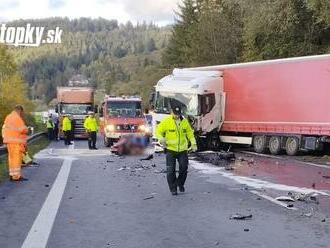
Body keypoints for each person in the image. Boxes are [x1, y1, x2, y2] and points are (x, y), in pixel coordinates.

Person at [156, 105, 197, 195]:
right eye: (175, 114)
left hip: (182, 150)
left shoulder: (184, 122)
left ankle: (180, 183)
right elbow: (158, 131)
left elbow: (190, 133)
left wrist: (193, 143)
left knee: (184, 168)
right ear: (172, 112)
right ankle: (173, 189)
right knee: (171, 171)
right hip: (170, 149)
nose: (177, 116)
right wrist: (161, 138)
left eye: (178, 114)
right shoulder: (166, 121)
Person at [1, 105, 29, 181]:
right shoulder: (17, 118)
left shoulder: (8, 117)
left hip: (9, 142)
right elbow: (23, 130)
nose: (22, 114)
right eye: (22, 112)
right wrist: (27, 129)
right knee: (17, 159)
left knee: (11, 158)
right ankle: (16, 176)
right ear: (20, 110)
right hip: (16, 142)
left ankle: (12, 174)